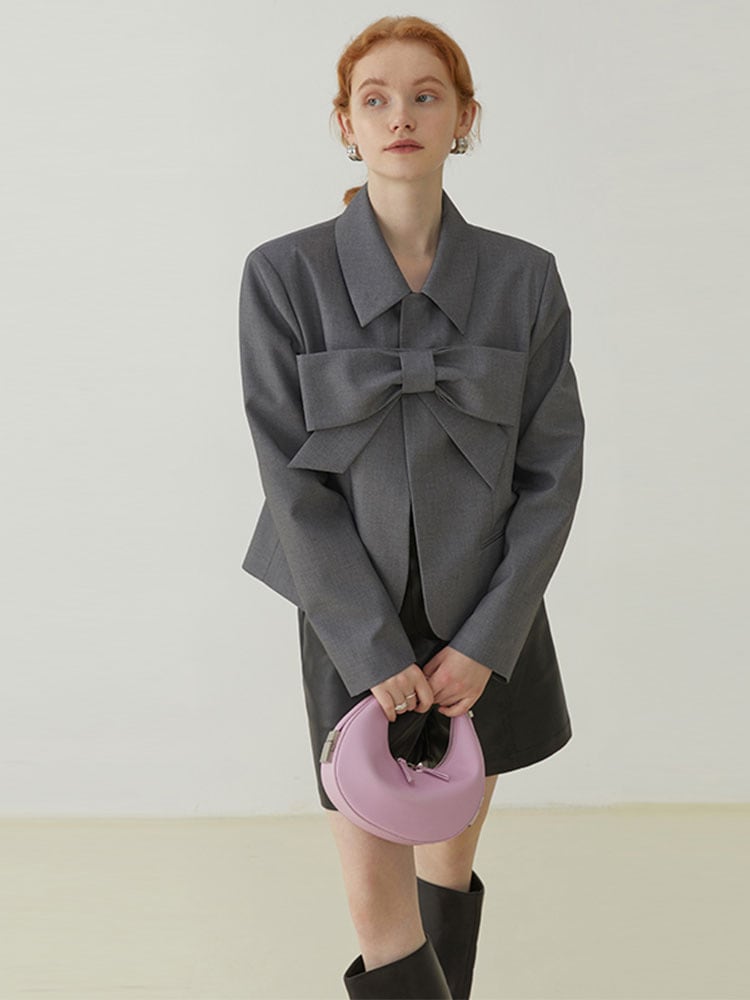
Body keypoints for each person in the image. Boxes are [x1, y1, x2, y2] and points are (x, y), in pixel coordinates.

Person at [238, 15, 585, 999]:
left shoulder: (525, 277)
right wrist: (369, 648)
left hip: (486, 620)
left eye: (426, 96)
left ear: (464, 118)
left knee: (445, 867)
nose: (401, 116)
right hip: (351, 617)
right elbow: (288, 480)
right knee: (379, 911)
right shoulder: (283, 275)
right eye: (376, 98)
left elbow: (554, 471)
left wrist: (485, 643)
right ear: (345, 123)